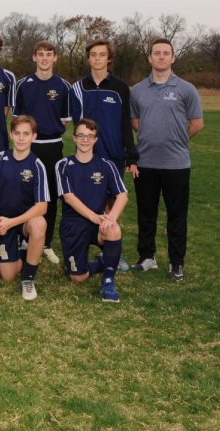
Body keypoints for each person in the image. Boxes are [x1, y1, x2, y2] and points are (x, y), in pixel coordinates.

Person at [129, 38, 204, 281]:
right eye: (156, 53)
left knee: (176, 215)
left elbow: (197, 123)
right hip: (146, 163)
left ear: (173, 58)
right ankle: (147, 257)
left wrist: (178, 139)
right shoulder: (137, 90)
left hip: (177, 164)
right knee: (146, 213)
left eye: (166, 53)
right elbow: (134, 121)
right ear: (149, 58)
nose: (161, 57)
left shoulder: (186, 89)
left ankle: (176, 262)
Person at [70, 38, 137, 270]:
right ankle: (83, 244)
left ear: (109, 59)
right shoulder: (78, 88)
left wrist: (131, 154)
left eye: (102, 54)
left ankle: (112, 248)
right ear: (88, 58)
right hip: (86, 157)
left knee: (111, 204)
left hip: (113, 155)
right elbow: (77, 126)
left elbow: (125, 124)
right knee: (86, 201)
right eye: (93, 54)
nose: (97, 58)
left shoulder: (120, 88)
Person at [56, 119, 128, 302]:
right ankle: (101, 263)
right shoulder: (63, 165)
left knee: (113, 229)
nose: (85, 140)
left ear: (96, 139)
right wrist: (95, 217)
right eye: (81, 135)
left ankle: (108, 281)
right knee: (78, 278)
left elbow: (122, 195)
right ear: (74, 138)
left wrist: (110, 218)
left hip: (98, 224)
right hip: (73, 225)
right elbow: (68, 197)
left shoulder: (106, 165)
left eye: (90, 136)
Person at [13, 40, 72, 265]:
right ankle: (22, 238)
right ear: (34, 58)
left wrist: (47, 131)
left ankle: (45, 242)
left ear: (55, 58)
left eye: (49, 54)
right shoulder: (23, 84)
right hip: (27, 146)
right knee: (24, 190)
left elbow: (65, 122)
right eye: (41, 54)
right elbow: (17, 118)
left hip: (53, 146)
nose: (45, 58)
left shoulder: (64, 86)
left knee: (49, 195)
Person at [0, 115, 48, 301]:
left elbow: (42, 206)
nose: (21, 138)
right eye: (17, 133)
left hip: (23, 221)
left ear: (33, 137)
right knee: (8, 275)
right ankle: (26, 251)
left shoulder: (37, 165)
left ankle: (28, 279)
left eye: (26, 134)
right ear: (11, 135)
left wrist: (12, 222)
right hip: (3, 221)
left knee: (39, 224)